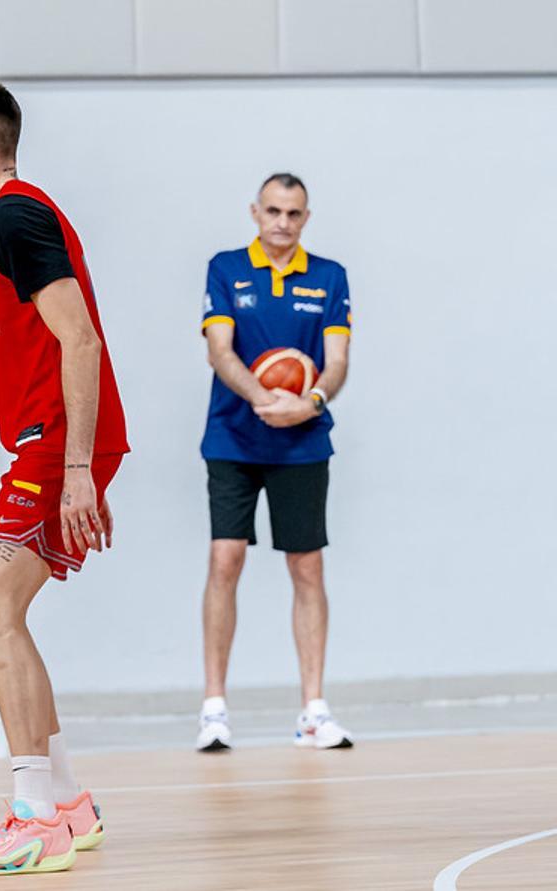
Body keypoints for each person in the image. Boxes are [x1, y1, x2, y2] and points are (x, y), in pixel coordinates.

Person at [0, 81, 129, 877]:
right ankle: (68, 802)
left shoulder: (15, 213)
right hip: (47, 447)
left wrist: (77, 467)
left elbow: (79, 340)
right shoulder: (3, 224)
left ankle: (33, 815)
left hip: (57, 450)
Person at [196, 173, 354, 752]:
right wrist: (263, 399)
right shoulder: (226, 268)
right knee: (225, 559)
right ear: (255, 212)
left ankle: (313, 710)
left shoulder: (329, 277)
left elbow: (335, 362)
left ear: (306, 218)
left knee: (307, 568)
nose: (282, 223)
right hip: (234, 439)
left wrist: (307, 403)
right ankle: (214, 708)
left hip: (302, 441)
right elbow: (219, 349)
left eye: (293, 213)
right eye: (273, 211)